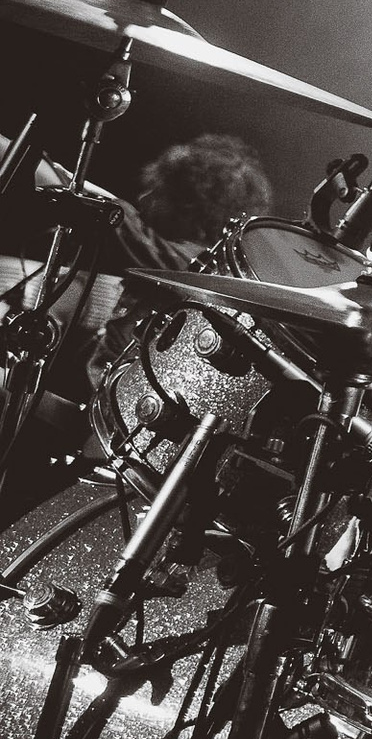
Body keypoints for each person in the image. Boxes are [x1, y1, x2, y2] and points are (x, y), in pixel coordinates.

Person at [0, 132, 272, 524]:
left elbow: (90, 203)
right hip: (102, 436)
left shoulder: (182, 267)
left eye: (159, 191)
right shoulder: (183, 270)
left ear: (191, 204)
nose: (145, 198)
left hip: (112, 466)